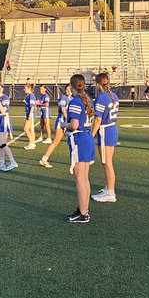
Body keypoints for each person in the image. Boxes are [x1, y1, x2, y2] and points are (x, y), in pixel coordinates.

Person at [64, 73, 94, 223]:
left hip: (80, 139)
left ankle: (83, 213)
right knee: (84, 177)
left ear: (71, 85)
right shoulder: (86, 99)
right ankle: (84, 209)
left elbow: (74, 124)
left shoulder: (76, 101)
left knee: (80, 178)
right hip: (86, 138)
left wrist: (64, 125)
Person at [91, 71, 119, 202]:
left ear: (98, 84)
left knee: (107, 163)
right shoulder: (113, 95)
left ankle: (110, 192)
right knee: (107, 162)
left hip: (105, 131)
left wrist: (91, 135)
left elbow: (98, 119)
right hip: (112, 128)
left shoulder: (102, 97)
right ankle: (108, 187)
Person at [39, 83, 72, 168]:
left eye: (70, 89)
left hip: (67, 122)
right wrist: (69, 121)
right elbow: (63, 110)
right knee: (55, 142)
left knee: (72, 141)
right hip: (62, 122)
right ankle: (44, 159)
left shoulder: (71, 98)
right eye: (67, 89)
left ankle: (75, 159)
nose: (68, 91)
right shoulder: (64, 98)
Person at [0, 82, 17, 171]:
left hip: (4, 120)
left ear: (2, 89)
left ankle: (12, 161)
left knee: (3, 143)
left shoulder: (5, 98)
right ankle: (1, 163)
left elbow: (3, 111)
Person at [22, 82, 37, 149]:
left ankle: (32, 143)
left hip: (30, 114)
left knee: (26, 129)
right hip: (29, 113)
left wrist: (30, 115)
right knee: (30, 129)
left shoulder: (31, 96)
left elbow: (32, 106)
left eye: (25, 88)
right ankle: (32, 142)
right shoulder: (29, 96)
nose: (23, 89)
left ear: (29, 88)